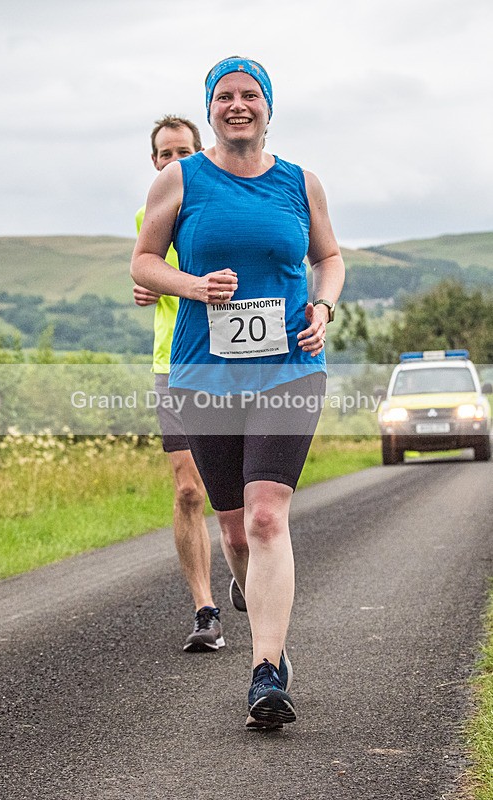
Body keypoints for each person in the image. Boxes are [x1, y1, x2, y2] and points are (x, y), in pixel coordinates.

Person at [131, 57, 345, 729]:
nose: (237, 105)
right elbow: (141, 263)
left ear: (269, 106)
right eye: (224, 96)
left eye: (250, 94)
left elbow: (328, 259)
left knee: (264, 515)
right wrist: (193, 286)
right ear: (212, 108)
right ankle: (254, 598)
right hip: (203, 375)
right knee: (233, 527)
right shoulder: (181, 178)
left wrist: (324, 309)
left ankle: (266, 671)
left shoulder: (300, 182)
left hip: (288, 368)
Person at [133, 115, 227, 653]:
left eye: (182, 152)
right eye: (164, 154)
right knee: (189, 487)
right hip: (173, 363)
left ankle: (242, 564)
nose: (173, 162)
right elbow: (145, 268)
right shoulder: (150, 213)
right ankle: (204, 609)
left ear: (200, 152)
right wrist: (146, 287)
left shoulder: (221, 206)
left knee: (233, 488)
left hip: (233, 363)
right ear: (154, 162)